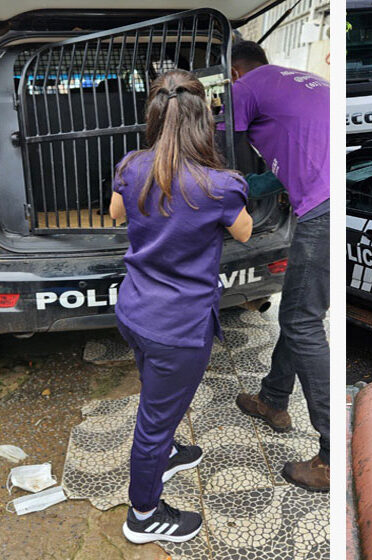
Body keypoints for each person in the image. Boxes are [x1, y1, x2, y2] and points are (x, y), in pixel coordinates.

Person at [108, 69, 253, 544]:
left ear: (154, 116)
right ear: (204, 120)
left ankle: (166, 452)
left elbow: (116, 214)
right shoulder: (221, 185)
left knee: (156, 399)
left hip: (134, 310)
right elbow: (245, 232)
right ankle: (143, 515)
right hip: (179, 327)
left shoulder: (131, 165)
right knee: (152, 423)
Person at [227, 41, 330, 491]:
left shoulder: (244, 87)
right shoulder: (300, 82)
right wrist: (251, 185)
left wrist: (216, 189)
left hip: (322, 209)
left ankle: (330, 455)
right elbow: (285, 163)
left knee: (303, 323)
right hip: (334, 197)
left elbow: (214, 143)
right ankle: (272, 400)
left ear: (233, 71)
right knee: (298, 314)